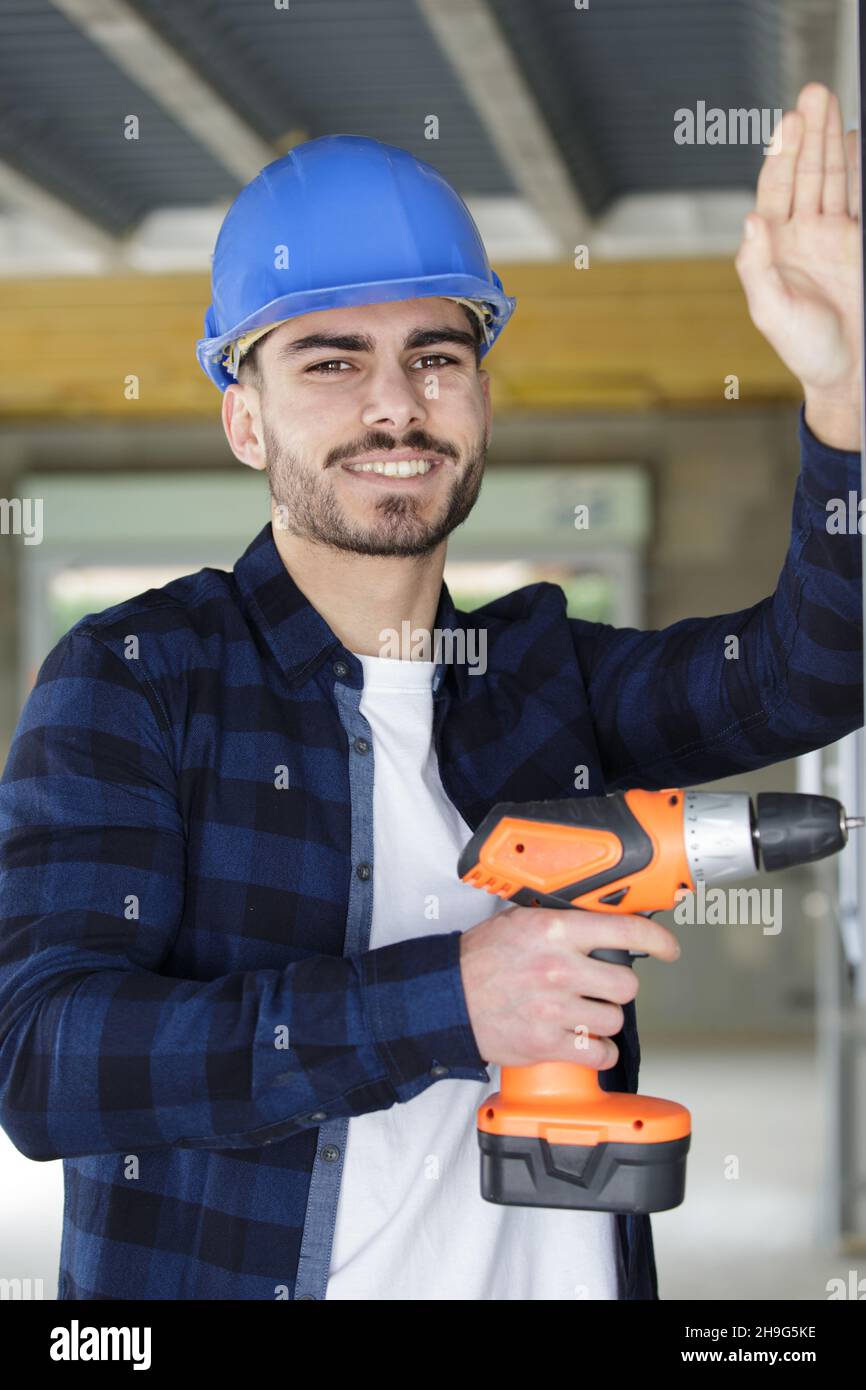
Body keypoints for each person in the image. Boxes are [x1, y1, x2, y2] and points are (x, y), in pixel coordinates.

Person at [0, 83, 862, 1302]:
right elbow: (46, 1064)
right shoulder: (136, 677)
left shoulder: (541, 676)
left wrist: (844, 397)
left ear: (479, 398)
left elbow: (814, 667)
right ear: (245, 420)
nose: (394, 401)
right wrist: (445, 1001)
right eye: (331, 359)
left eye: (435, 354)